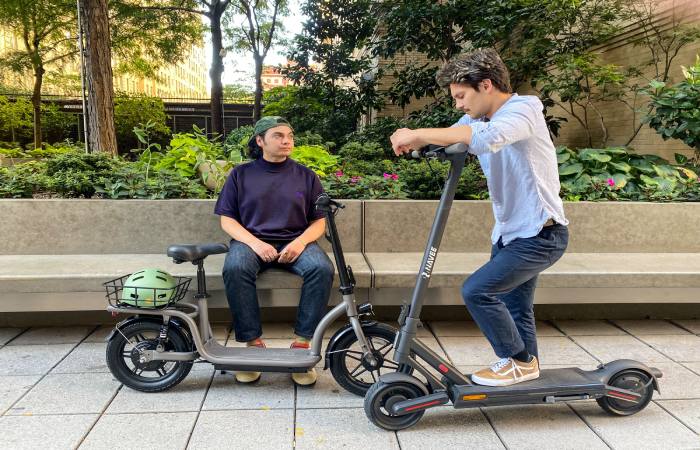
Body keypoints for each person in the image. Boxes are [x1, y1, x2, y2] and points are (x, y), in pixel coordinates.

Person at [389, 48, 569, 387]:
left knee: (477, 291)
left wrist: (421, 133)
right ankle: (525, 367)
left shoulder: (524, 109)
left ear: (486, 85)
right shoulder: (475, 119)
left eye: (461, 96)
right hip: (509, 234)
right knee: (516, 306)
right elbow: (453, 133)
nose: (458, 104)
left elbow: (488, 139)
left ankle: (518, 361)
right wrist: (417, 142)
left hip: (541, 234)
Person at [215, 116, 334, 386]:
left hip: (295, 242)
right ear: (260, 141)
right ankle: (253, 346)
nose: (286, 140)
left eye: (290, 135)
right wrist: (255, 243)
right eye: (278, 136)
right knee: (235, 268)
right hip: (251, 242)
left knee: (321, 269)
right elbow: (227, 220)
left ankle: (303, 346)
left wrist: (300, 242)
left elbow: (319, 221)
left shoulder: (306, 175)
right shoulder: (240, 175)